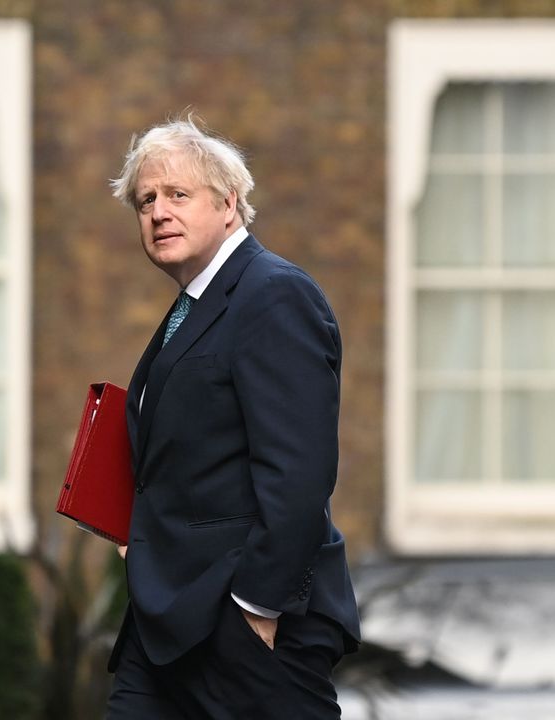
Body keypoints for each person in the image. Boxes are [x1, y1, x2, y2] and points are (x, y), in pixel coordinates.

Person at [104, 116, 361, 719]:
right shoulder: (188, 312)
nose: (158, 212)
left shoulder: (274, 294)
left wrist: (256, 607)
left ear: (230, 204)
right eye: (146, 200)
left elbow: (299, 470)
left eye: (177, 194)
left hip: (243, 620)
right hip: (165, 619)